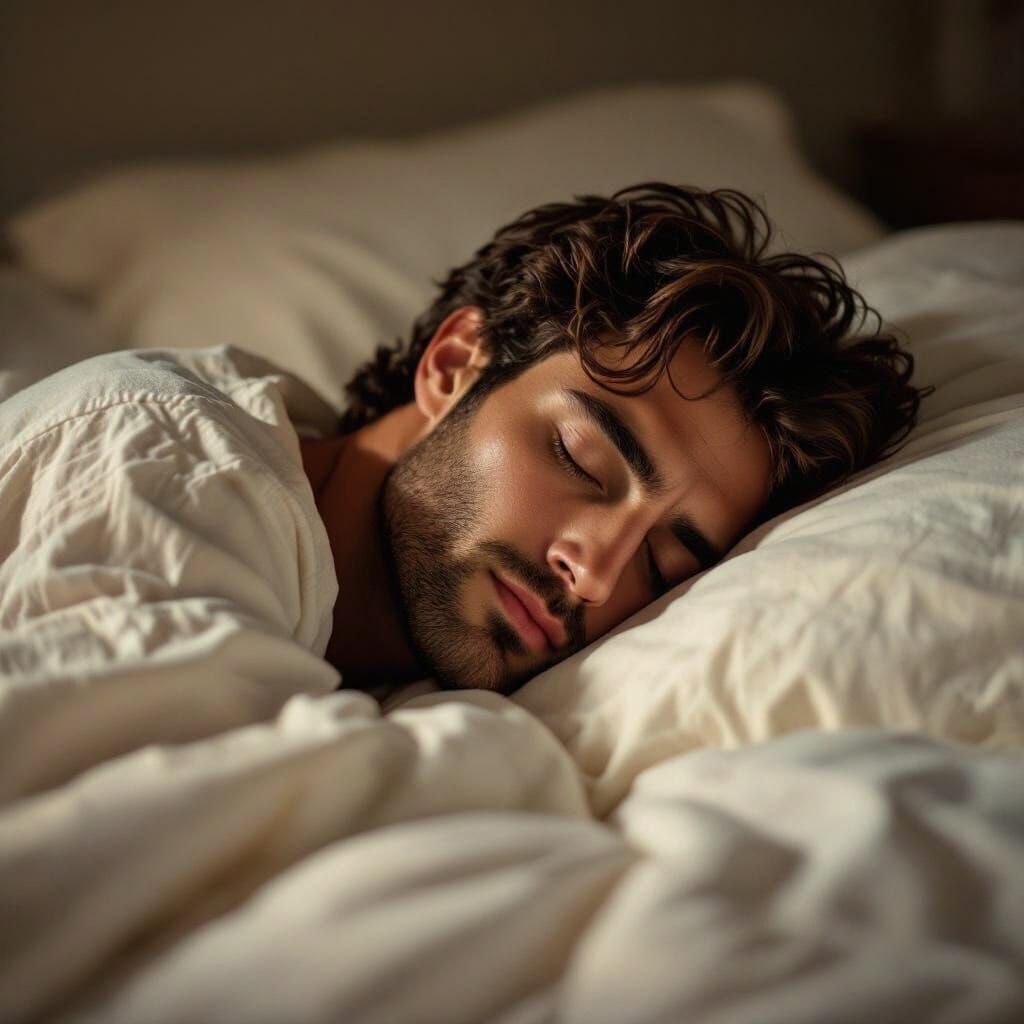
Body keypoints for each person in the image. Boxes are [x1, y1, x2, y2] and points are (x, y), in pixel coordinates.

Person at [0, 184, 928, 712]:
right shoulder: (168, 458)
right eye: (581, 457)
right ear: (453, 364)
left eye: (667, 554)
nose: (597, 577)